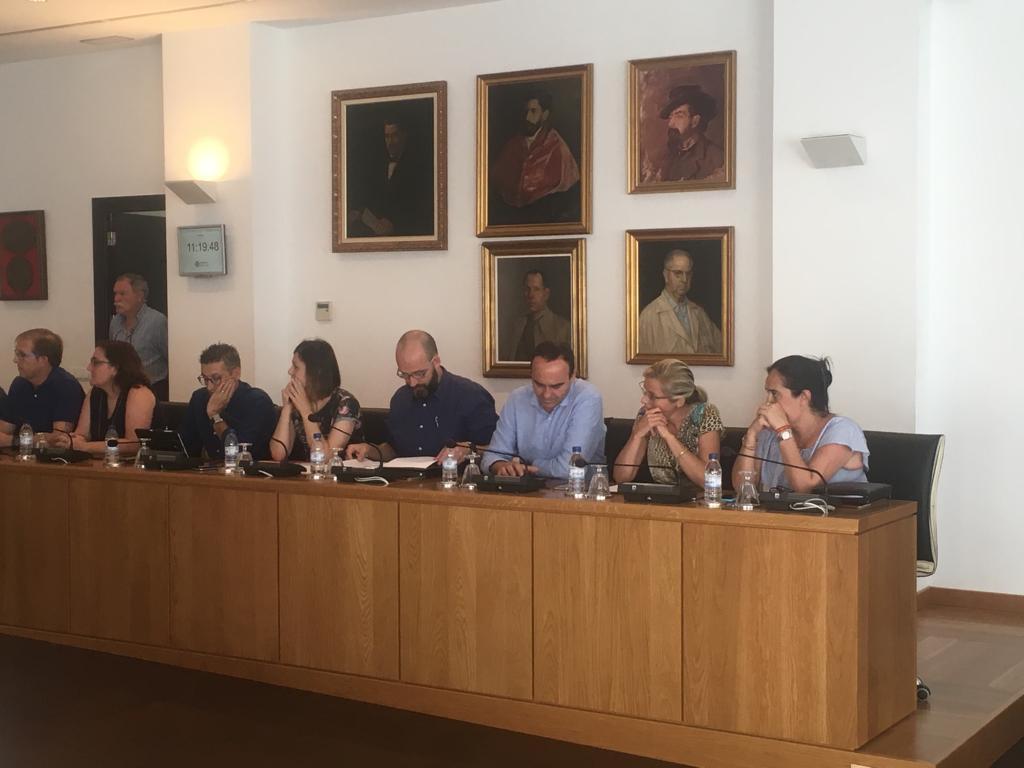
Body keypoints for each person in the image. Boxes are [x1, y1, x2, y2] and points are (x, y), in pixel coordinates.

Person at [346, 330, 497, 464]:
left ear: (436, 362)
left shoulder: (470, 395)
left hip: (455, 482)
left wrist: (467, 450)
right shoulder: (400, 399)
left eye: (419, 374)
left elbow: (498, 450)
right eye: (404, 375)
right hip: (405, 483)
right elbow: (394, 450)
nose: (412, 383)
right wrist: (370, 450)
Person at [732, 355, 869, 492]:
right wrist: (751, 437)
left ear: (804, 397)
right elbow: (742, 489)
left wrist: (783, 431)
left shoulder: (843, 430)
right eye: (767, 393)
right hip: (776, 507)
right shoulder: (769, 431)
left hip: (834, 507)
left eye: (774, 394)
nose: (767, 402)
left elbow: (805, 488)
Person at [482, 341, 604, 479]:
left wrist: (528, 466)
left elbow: (569, 468)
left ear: (572, 376)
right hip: (524, 489)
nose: (546, 395)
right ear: (531, 376)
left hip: (579, 489)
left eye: (556, 386)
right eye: (539, 384)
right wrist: (501, 466)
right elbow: (492, 456)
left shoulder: (588, 397)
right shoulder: (517, 398)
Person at [613, 359, 723, 487]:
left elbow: (709, 481)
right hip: (658, 497)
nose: (643, 400)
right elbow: (621, 477)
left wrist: (668, 437)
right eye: (644, 392)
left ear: (679, 401)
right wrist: (637, 435)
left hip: (699, 498)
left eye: (653, 396)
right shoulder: (646, 415)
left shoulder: (704, 414)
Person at [179, 343, 277, 461]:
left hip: (250, 471)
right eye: (205, 379)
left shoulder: (257, 402)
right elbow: (184, 447)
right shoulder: (199, 398)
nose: (209, 387)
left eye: (216, 379)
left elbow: (239, 454)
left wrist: (215, 416)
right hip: (211, 469)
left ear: (235, 374)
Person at [270, 339, 363, 461]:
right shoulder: (297, 402)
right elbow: (278, 455)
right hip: (304, 472)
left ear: (316, 372)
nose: (290, 371)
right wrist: (287, 409)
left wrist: (305, 411)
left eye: (296, 367)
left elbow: (325, 457)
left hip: (339, 471)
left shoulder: (346, 404)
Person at [490, 89, 580, 211]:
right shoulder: (513, 144)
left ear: (545, 115)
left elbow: (568, 188)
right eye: (526, 111)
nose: (527, 117)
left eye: (533, 111)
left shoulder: (557, 146)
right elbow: (496, 180)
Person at [347, 116, 432, 237]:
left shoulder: (418, 167)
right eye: (387, 137)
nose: (390, 142)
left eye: (395, 136)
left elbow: (419, 209)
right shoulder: (378, 165)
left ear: (404, 136)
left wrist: (395, 224)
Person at [0, 328, 85, 447]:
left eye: (22, 355)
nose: (15, 360)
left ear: (43, 360)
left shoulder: (66, 386)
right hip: (21, 454)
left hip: (55, 457)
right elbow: (4, 431)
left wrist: (13, 441)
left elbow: (59, 439)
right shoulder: (19, 384)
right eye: (16, 354)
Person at [68, 341, 155, 456]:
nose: (89, 368)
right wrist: (71, 440)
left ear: (115, 368)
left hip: (136, 465)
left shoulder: (139, 393)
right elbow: (82, 435)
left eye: (96, 363)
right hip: (102, 463)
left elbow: (134, 444)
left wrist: (85, 447)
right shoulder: (95, 393)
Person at [638, 249, 722, 355]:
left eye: (688, 274)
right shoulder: (648, 316)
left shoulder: (700, 313)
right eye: (678, 273)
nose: (684, 280)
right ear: (665, 275)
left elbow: (723, 350)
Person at [109, 273, 169, 401]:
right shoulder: (115, 322)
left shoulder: (157, 321)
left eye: (122, 294)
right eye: (115, 293)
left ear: (140, 296)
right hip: (122, 390)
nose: (116, 299)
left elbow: (171, 358)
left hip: (153, 390)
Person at [657, 84, 725, 182]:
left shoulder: (717, 159)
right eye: (671, 117)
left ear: (695, 121)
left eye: (679, 116)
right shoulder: (666, 157)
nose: (671, 124)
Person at [506, 270, 572, 361]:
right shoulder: (517, 326)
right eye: (527, 289)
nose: (531, 295)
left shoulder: (564, 328)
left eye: (536, 289)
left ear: (546, 294)